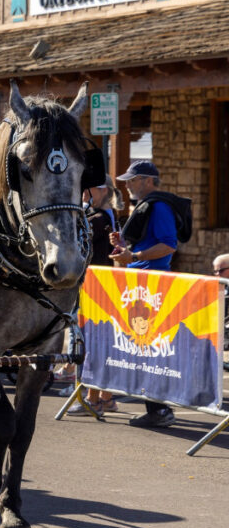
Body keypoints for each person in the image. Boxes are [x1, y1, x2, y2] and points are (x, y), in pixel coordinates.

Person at [110, 160, 179, 428]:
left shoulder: (159, 206)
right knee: (142, 349)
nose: (127, 185)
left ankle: (160, 410)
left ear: (148, 180)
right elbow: (151, 245)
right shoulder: (148, 206)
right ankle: (156, 408)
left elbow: (168, 246)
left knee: (148, 349)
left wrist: (134, 255)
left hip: (152, 285)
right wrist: (124, 246)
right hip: (141, 283)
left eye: (132, 179)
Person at [69, 175, 125, 415]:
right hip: (98, 286)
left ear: (101, 191)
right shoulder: (101, 216)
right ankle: (105, 396)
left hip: (97, 288)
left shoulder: (99, 218)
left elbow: (75, 240)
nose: (82, 191)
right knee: (99, 342)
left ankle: (93, 398)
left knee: (94, 342)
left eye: (87, 187)